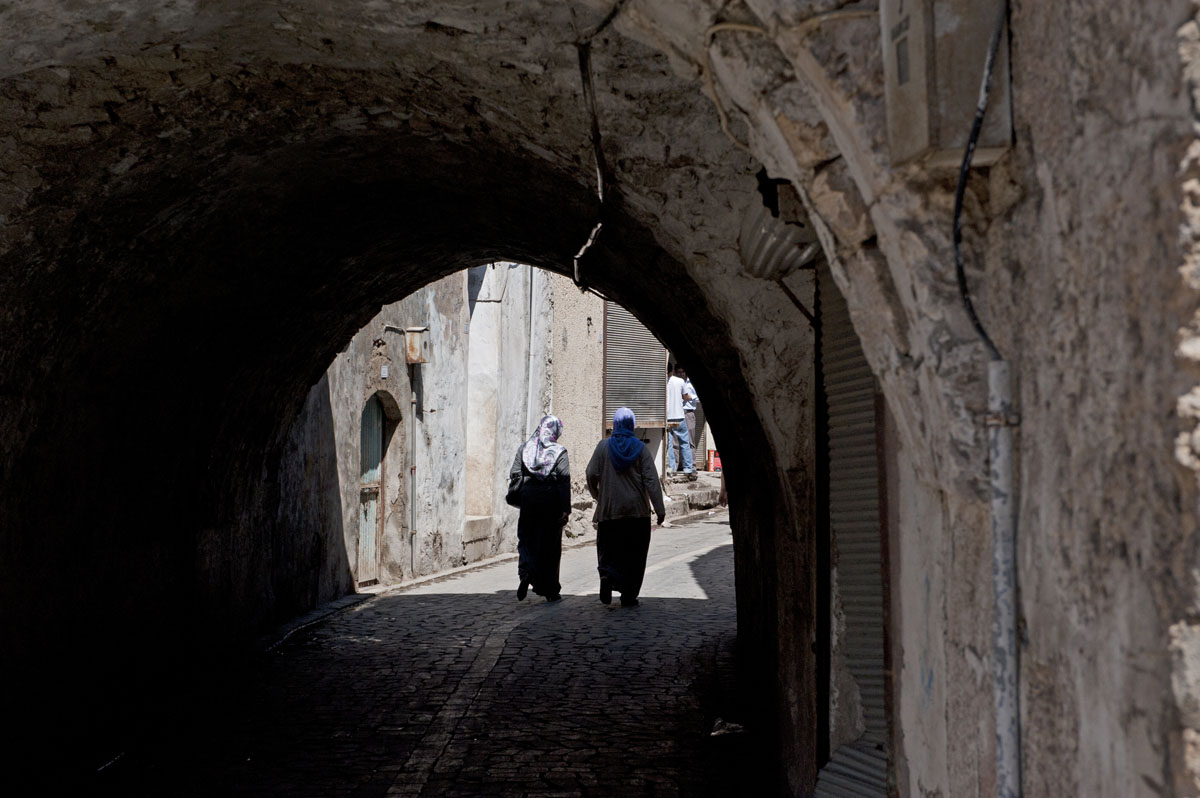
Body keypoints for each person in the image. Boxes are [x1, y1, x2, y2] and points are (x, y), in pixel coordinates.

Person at [585, 408, 666, 607]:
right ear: (632, 425)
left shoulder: (603, 447)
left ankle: (607, 576)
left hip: (609, 511)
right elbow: (651, 480)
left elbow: (591, 473)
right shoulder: (640, 448)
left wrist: (598, 495)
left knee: (609, 549)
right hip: (637, 513)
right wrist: (660, 509)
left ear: (614, 425)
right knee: (634, 555)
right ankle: (629, 595)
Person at [509, 415, 570, 602]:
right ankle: (550, 590)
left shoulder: (525, 448)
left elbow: (515, 472)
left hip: (528, 501)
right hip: (551, 503)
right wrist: (565, 509)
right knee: (550, 546)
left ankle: (526, 573)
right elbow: (563, 481)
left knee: (527, 540)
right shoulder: (559, 452)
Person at [665, 365, 695, 475]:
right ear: (673, 370)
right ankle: (688, 469)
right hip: (679, 417)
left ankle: (672, 468)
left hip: (668, 418)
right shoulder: (680, 381)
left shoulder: (661, 382)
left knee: (669, 444)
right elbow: (686, 396)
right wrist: (693, 397)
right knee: (685, 443)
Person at [678, 366, 700, 467]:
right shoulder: (675, 383)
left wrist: (690, 397)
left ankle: (692, 465)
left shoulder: (691, 384)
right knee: (675, 441)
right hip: (677, 413)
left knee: (690, 440)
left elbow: (698, 398)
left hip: (688, 413)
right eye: (679, 372)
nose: (681, 374)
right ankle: (675, 467)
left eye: (683, 372)